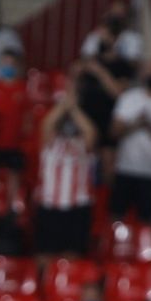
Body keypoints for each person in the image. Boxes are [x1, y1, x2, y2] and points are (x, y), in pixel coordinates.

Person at [109, 60, 151, 223]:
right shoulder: (129, 98)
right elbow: (114, 131)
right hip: (125, 168)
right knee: (117, 215)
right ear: (142, 74)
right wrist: (136, 124)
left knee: (145, 219)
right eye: (149, 71)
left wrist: (149, 124)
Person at [34, 87, 97, 259]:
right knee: (45, 256)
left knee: (72, 257)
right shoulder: (50, 145)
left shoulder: (82, 145)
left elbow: (90, 131)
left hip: (77, 206)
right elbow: (46, 125)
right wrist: (63, 106)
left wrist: (74, 109)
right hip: (50, 205)